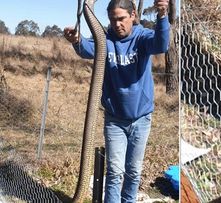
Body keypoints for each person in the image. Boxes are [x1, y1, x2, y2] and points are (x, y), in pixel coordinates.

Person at [63, 0, 170, 202]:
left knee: (133, 170)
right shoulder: (105, 39)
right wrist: (76, 40)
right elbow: (87, 49)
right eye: (113, 20)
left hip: (141, 119)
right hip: (114, 120)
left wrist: (162, 15)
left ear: (133, 16)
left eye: (121, 18)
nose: (117, 24)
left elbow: (161, 44)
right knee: (114, 171)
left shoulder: (142, 37)